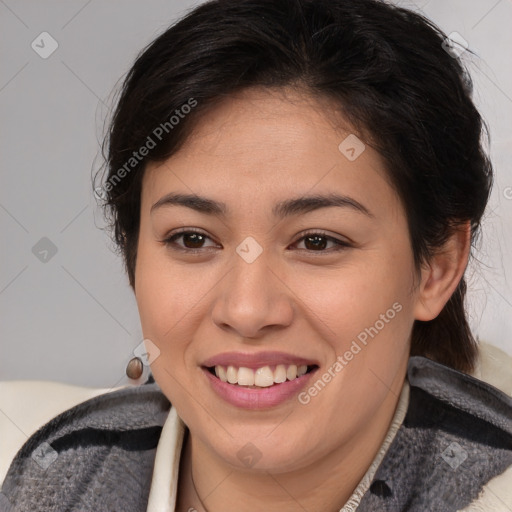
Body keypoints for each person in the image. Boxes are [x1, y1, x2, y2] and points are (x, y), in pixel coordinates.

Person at [1, 0, 511, 510]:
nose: (246, 311)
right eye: (193, 239)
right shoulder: (37, 472)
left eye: (317, 241)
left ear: (437, 268)